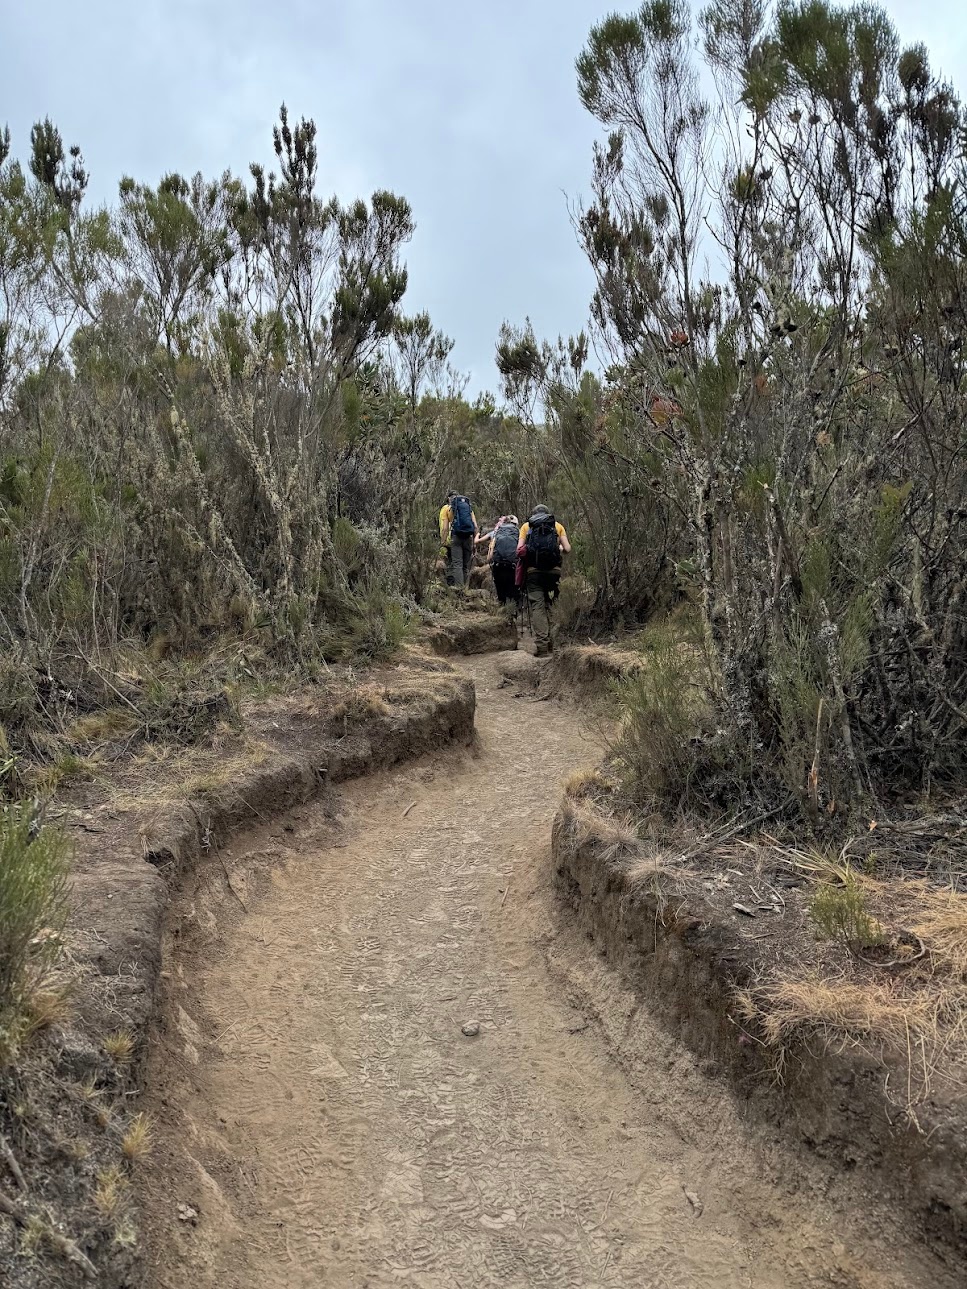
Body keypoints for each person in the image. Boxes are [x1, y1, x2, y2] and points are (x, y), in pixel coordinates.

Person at [517, 505, 571, 657]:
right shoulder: (557, 525)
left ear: (533, 515)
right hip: (554, 572)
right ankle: (555, 643)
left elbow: (519, 550)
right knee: (553, 604)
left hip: (533, 573)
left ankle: (542, 647)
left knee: (538, 607)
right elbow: (567, 548)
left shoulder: (526, 526)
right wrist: (556, 548)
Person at [439, 491, 478, 588]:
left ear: (449, 499)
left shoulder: (447, 509)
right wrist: (474, 543)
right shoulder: (468, 508)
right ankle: (465, 588)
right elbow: (475, 526)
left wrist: (443, 541)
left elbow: (444, 528)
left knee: (457, 564)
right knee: (465, 565)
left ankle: (459, 589)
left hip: (456, 537)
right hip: (468, 537)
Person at [486, 514, 520, 609]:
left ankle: (502, 615)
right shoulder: (518, 532)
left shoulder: (497, 532)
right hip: (512, 567)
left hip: (498, 566)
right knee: (513, 594)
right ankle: (513, 615)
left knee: (502, 596)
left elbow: (489, 557)